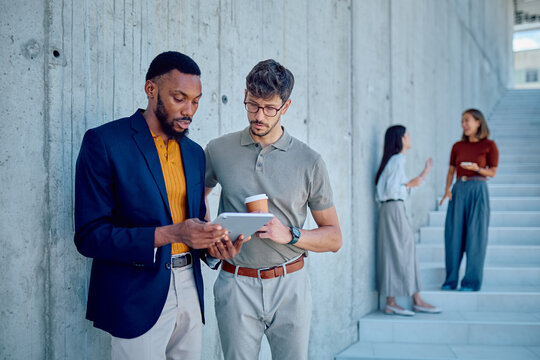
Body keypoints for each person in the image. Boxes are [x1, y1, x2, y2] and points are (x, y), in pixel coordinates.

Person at [74, 51, 245, 360]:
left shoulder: (194, 154)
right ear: (151, 89)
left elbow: (194, 224)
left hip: (191, 291)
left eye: (196, 101)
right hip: (135, 295)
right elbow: (89, 236)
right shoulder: (104, 142)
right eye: (179, 98)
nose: (189, 110)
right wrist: (172, 234)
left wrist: (215, 250)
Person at [204, 59, 342, 360]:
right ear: (245, 95)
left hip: (290, 284)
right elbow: (196, 200)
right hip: (235, 281)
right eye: (252, 105)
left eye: (269, 108)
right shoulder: (218, 150)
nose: (259, 116)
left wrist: (290, 234)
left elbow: (333, 238)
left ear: (286, 106)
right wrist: (211, 237)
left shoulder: (310, 161)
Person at [375, 125, 441, 316]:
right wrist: (410, 183)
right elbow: (391, 191)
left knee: (398, 250)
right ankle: (405, 300)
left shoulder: (394, 161)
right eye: (408, 135)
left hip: (393, 209)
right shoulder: (397, 160)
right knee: (402, 250)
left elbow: (398, 189)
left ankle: (404, 300)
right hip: (393, 208)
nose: (410, 137)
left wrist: (422, 175)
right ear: (401, 139)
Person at [440, 108, 499, 292]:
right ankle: (450, 281)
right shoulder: (457, 146)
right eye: (462, 121)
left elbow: (493, 172)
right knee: (453, 236)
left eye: (467, 120)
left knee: (476, 237)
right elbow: (451, 170)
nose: (464, 124)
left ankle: (471, 282)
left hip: (478, 189)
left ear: (478, 122)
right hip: (459, 189)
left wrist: (477, 169)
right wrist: (447, 190)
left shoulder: (489, 145)